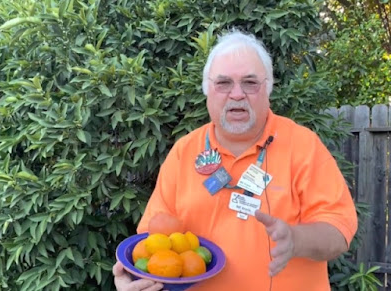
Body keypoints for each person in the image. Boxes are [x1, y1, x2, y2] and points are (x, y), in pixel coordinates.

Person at [112, 29, 358, 291]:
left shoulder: (303, 146)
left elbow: (338, 231)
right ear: (208, 91)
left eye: (250, 83)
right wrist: (136, 278)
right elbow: (154, 241)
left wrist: (295, 239)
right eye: (224, 83)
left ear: (268, 89)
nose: (237, 94)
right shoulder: (184, 151)